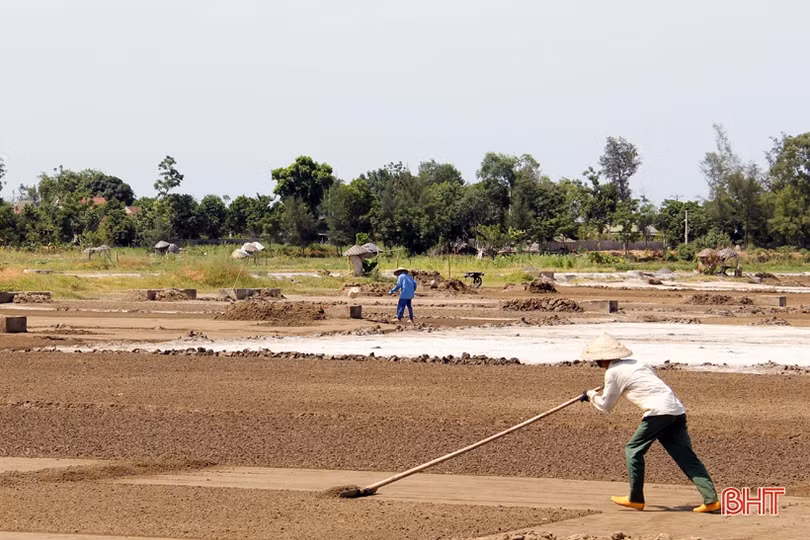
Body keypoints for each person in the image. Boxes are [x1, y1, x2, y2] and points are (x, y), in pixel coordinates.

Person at [580, 333, 720, 513]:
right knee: (686, 456)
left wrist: (590, 395)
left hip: (657, 413)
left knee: (633, 450)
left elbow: (606, 406)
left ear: (601, 359)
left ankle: (635, 499)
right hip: (676, 410)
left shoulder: (612, 372)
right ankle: (711, 500)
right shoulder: (638, 363)